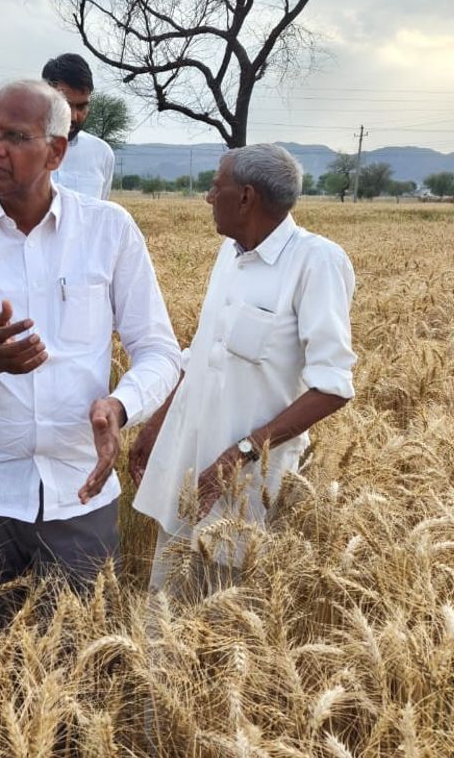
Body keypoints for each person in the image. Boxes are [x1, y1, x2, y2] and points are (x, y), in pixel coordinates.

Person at [0, 79, 180, 591]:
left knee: (75, 660)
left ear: (57, 151)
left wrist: (119, 407)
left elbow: (159, 351)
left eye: (14, 136)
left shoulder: (108, 229)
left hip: (79, 493)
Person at [129, 144, 356, 592]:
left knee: (224, 616)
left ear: (247, 197)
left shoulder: (316, 262)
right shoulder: (230, 256)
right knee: (164, 608)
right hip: (191, 467)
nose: (209, 198)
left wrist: (243, 453)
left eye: (216, 187)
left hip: (249, 486)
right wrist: (158, 423)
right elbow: (201, 356)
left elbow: (333, 384)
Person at [0, 53, 116, 199]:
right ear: (43, 96)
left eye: (81, 107)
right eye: (65, 105)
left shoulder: (101, 154)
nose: (74, 116)